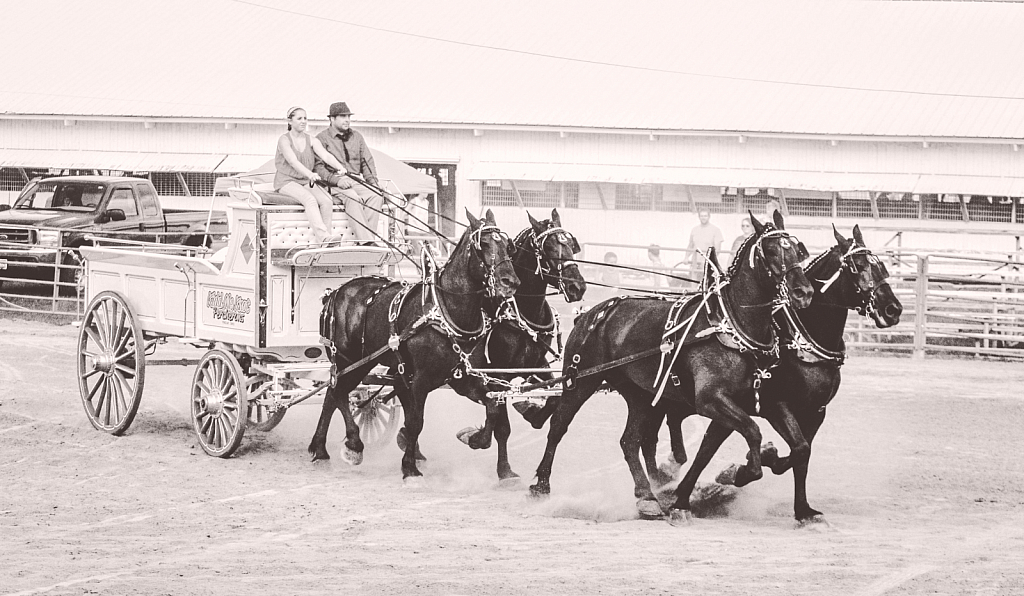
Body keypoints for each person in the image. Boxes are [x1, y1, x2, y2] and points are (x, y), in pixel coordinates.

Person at [313, 102, 386, 246]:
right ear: (332, 119)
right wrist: (336, 181)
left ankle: (367, 240)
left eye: (348, 116)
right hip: (333, 183)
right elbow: (318, 167)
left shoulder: (357, 137)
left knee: (376, 196)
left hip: (355, 180)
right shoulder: (322, 138)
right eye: (342, 116)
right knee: (352, 197)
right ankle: (366, 242)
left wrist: (374, 184)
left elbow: (367, 162)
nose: (347, 119)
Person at [272, 106, 346, 245]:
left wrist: (340, 167)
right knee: (310, 200)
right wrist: (310, 174)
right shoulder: (284, 140)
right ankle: (323, 238)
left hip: (305, 180)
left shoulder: (311, 140)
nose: (303, 121)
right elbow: (293, 161)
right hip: (286, 181)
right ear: (289, 121)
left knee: (327, 200)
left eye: (305, 118)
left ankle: (328, 240)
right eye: (299, 118)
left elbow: (326, 155)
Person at [687, 208, 723, 289]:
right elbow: (690, 245)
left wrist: (708, 261)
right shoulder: (695, 230)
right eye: (701, 216)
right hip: (696, 263)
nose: (703, 218)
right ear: (699, 217)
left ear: (709, 217)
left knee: (707, 285)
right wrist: (686, 257)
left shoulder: (715, 230)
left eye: (705, 216)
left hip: (708, 263)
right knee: (694, 285)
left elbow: (717, 249)